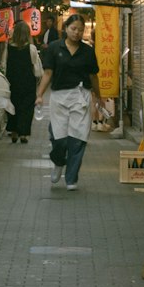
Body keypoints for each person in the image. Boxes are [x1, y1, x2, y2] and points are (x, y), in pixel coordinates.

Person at [35, 12, 104, 190]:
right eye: (73, 29)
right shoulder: (54, 48)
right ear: (65, 28)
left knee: (78, 138)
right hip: (59, 96)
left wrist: (99, 97)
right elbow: (48, 73)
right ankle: (59, 162)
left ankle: (71, 178)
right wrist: (39, 95)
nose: (77, 33)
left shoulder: (88, 52)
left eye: (80, 30)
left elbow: (93, 75)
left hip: (81, 96)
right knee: (60, 139)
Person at [4, 20, 42, 144]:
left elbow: (4, 64)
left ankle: (13, 131)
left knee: (13, 105)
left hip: (12, 82)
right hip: (27, 82)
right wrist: (38, 80)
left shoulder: (9, 47)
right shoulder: (31, 49)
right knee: (26, 108)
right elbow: (37, 68)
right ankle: (24, 134)